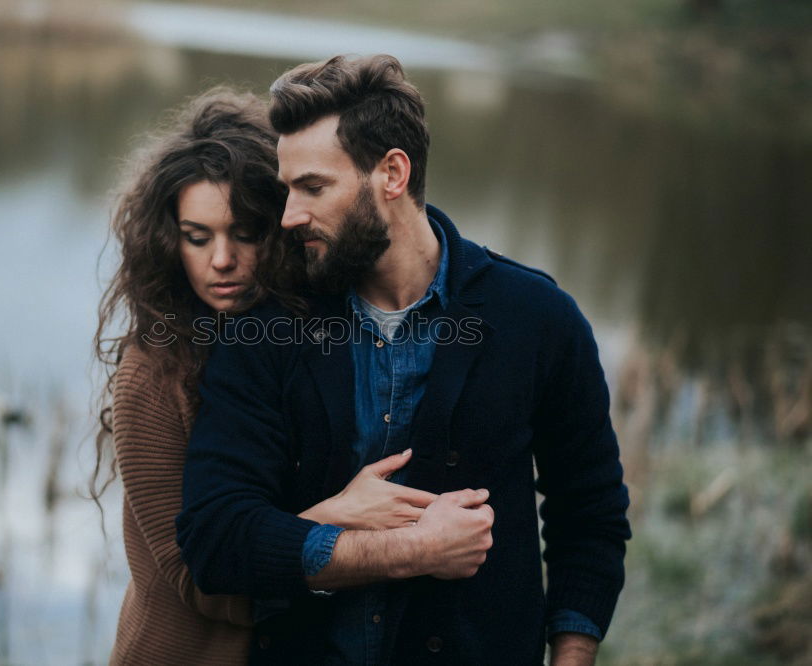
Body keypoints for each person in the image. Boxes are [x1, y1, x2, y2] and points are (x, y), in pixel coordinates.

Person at [176, 56, 632, 665]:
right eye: (288, 191)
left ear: (392, 173)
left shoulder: (538, 319)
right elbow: (215, 538)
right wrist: (413, 549)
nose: (289, 216)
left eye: (313, 188)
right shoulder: (268, 330)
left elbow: (589, 517)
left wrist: (572, 656)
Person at [92, 88, 439, 666]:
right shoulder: (153, 372)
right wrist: (337, 516)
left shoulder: (304, 336)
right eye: (197, 237)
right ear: (168, 241)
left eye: (244, 234)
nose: (221, 260)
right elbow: (199, 576)